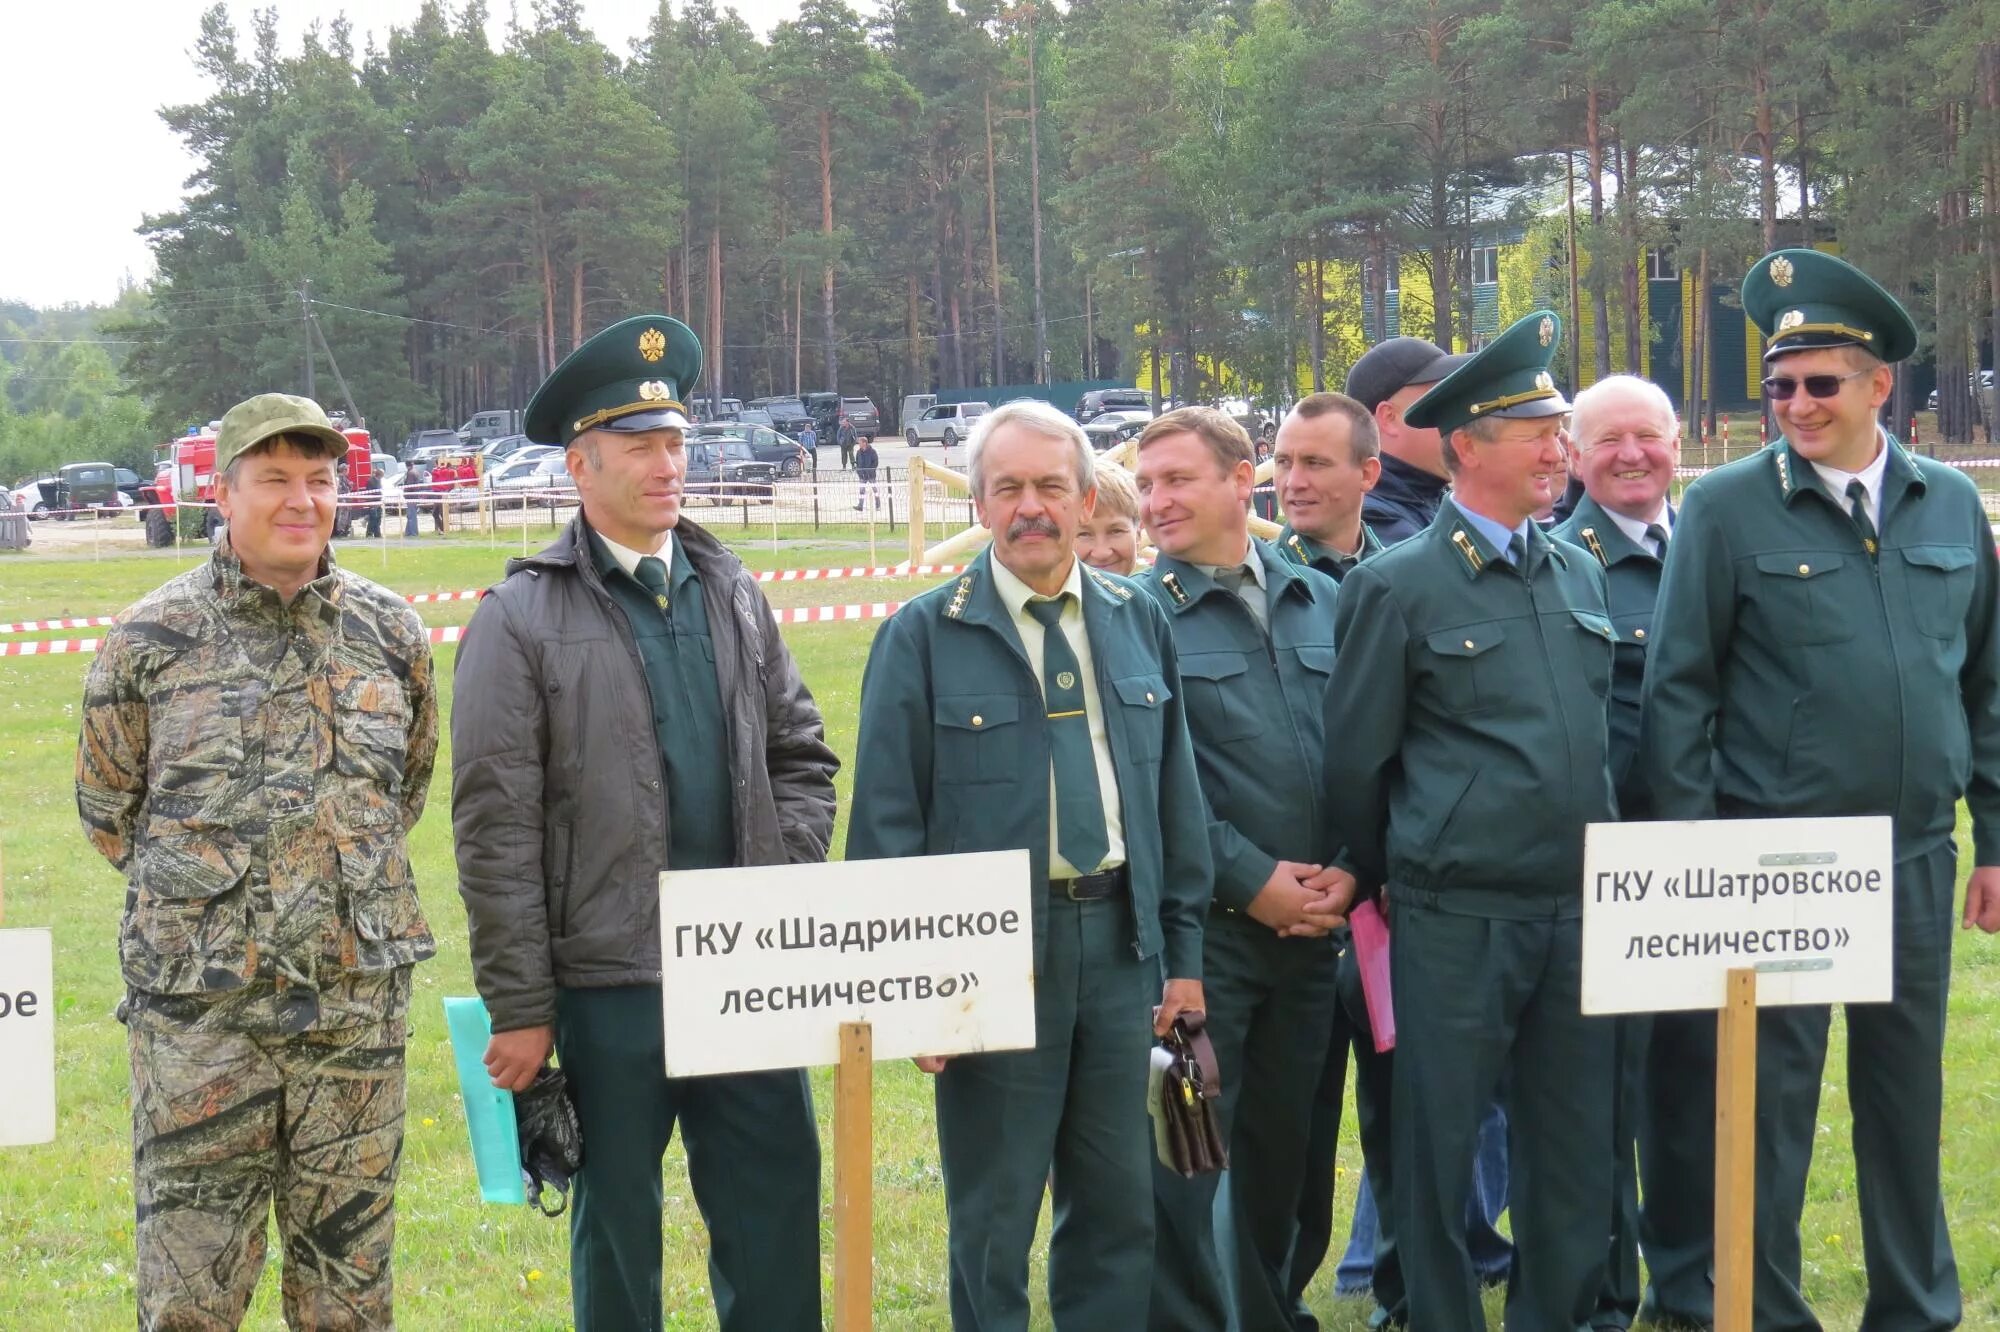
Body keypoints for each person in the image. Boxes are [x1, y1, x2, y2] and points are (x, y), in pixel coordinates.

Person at [451, 315, 838, 1332]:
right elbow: (495, 834)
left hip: (747, 973)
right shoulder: (518, 617)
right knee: (618, 1227)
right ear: (581, 466)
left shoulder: (730, 589)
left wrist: (771, 882)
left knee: (774, 1209)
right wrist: (523, 1006)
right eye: (640, 447)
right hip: (607, 987)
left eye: (675, 443)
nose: (669, 465)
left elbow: (802, 757)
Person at [1642, 249, 2000, 1331]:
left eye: (1818, 383)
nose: (1793, 404)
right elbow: (1677, 697)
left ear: (1876, 386)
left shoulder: (1949, 507)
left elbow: (1983, 682)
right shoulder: (1723, 510)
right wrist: (1697, 860)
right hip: (1774, 858)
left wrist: (1992, 837)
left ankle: (1914, 1307)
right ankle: (1761, 1310)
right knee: (1767, 1105)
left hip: (1909, 856)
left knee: (1904, 1095)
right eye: (1778, 385)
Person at [846, 398, 1212, 1332]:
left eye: (1052, 485)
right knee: (994, 1215)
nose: (1032, 507)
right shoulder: (922, 635)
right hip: (990, 960)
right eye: (1007, 488)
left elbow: (1174, 800)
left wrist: (1182, 955)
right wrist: (910, 990)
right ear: (979, 502)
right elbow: (887, 824)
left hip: (1122, 947)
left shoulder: (1138, 619)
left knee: (1118, 1206)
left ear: (1088, 498)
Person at [76, 392, 438, 1331]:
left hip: (352, 1024)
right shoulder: (149, 644)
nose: (301, 501)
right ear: (220, 495)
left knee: (349, 1304)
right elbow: (110, 812)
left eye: (319, 480)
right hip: (201, 1032)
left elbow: (403, 795)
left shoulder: (392, 635)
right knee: (191, 1305)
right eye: (274, 479)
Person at [1324, 311, 1617, 1332]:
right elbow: (1356, 762)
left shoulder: (1575, 572)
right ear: (1462, 449)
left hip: (1575, 916)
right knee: (1437, 1150)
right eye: (1531, 431)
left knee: (1573, 1149)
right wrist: (1392, 874)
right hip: (1451, 917)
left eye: (1558, 428)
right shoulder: (1394, 586)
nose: (1557, 451)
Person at [1133, 407, 1351, 1332]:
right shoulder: (1136, 618)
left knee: (1285, 1157)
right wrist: (1251, 880)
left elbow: (1364, 751)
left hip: (1313, 939)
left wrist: (1350, 871)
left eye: (1177, 479)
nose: (1156, 502)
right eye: (1146, 486)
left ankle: (1272, 1310)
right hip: (1205, 944)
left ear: (1241, 479)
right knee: (1191, 1164)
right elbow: (1155, 788)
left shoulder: (1322, 598)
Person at [1552, 375, 1698, 1331]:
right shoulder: (1561, 565)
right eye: (1607, 441)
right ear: (1571, 455)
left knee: (1696, 1083)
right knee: (1599, 1094)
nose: (1631, 455)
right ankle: (1606, 1291)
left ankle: (1692, 1283)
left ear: (1678, 444)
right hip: (1610, 867)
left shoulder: (1716, 546)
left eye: (1648, 436)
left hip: (1719, 861)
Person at [1346, 337, 1469, 545]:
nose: (1459, 418)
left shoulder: (1427, 497)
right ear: (1389, 418)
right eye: (1442, 402)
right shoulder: (1371, 521)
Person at [1272, 391, 1386, 582]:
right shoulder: (1259, 586)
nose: (1294, 482)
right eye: (1283, 462)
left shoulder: (1402, 577)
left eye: (1314, 463)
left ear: (1367, 474)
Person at [1077, 460, 1142, 575]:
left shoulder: (1160, 590)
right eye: (1084, 534)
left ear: (1138, 534)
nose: (1102, 553)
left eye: (1116, 531)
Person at [854, 435, 882, 511]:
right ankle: (860, 506)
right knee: (861, 491)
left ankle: (878, 506)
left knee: (875, 490)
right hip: (862, 475)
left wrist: (870, 470)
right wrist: (858, 471)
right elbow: (857, 462)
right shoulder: (858, 452)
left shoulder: (872, 452)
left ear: (864, 443)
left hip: (871, 475)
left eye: (860, 443)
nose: (859, 444)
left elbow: (875, 462)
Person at [402, 457, 429, 537]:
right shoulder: (415, 471)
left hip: (411, 496)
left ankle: (413, 533)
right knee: (410, 515)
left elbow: (410, 486)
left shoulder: (410, 473)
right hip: (414, 496)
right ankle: (408, 532)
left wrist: (405, 489)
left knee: (411, 515)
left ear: (406, 465)